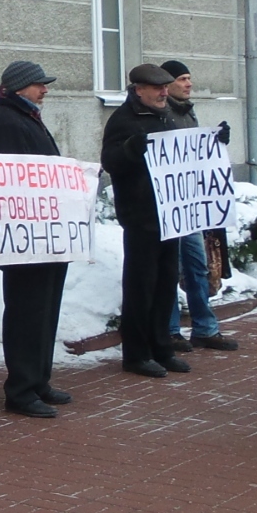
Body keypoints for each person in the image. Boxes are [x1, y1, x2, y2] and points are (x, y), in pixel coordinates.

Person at [0, 60, 74, 417]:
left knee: (45, 310)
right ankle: (21, 389)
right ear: (20, 87)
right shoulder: (7, 121)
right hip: (25, 238)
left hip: (45, 234)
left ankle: (39, 380)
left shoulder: (26, 116)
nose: (45, 90)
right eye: (39, 84)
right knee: (27, 313)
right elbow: (12, 182)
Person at [100, 63, 197, 379]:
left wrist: (215, 143)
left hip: (170, 215)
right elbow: (110, 162)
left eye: (165, 87)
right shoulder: (123, 120)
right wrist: (130, 150)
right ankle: (136, 354)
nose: (163, 93)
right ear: (138, 90)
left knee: (165, 286)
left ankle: (161, 348)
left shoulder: (166, 116)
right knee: (141, 288)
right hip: (141, 217)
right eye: (157, 88)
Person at [160, 60, 239, 353]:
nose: (189, 84)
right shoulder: (160, 114)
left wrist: (216, 141)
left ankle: (205, 328)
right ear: (167, 83)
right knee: (171, 269)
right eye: (182, 79)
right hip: (170, 207)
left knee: (197, 267)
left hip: (189, 206)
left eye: (189, 78)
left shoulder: (187, 112)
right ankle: (171, 330)